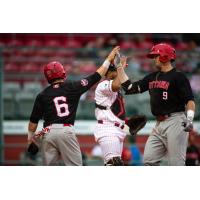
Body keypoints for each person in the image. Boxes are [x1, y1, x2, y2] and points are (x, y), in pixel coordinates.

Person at [27, 46, 120, 166]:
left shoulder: (42, 94)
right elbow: (96, 76)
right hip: (66, 130)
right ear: (62, 73)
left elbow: (32, 123)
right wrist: (108, 58)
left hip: (48, 132)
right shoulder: (72, 87)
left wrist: (30, 140)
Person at [117, 43, 196, 166]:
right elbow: (130, 88)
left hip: (175, 121)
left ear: (165, 56)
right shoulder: (152, 77)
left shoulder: (178, 77)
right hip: (159, 124)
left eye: (156, 56)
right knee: (149, 160)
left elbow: (190, 100)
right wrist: (120, 69)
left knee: (176, 164)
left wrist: (190, 119)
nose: (154, 59)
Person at [93, 56, 128, 166]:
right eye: (115, 71)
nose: (117, 73)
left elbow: (117, 114)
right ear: (108, 73)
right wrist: (121, 67)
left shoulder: (116, 90)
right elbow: (117, 85)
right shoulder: (103, 85)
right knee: (113, 164)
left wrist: (128, 126)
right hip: (108, 129)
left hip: (118, 130)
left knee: (116, 164)